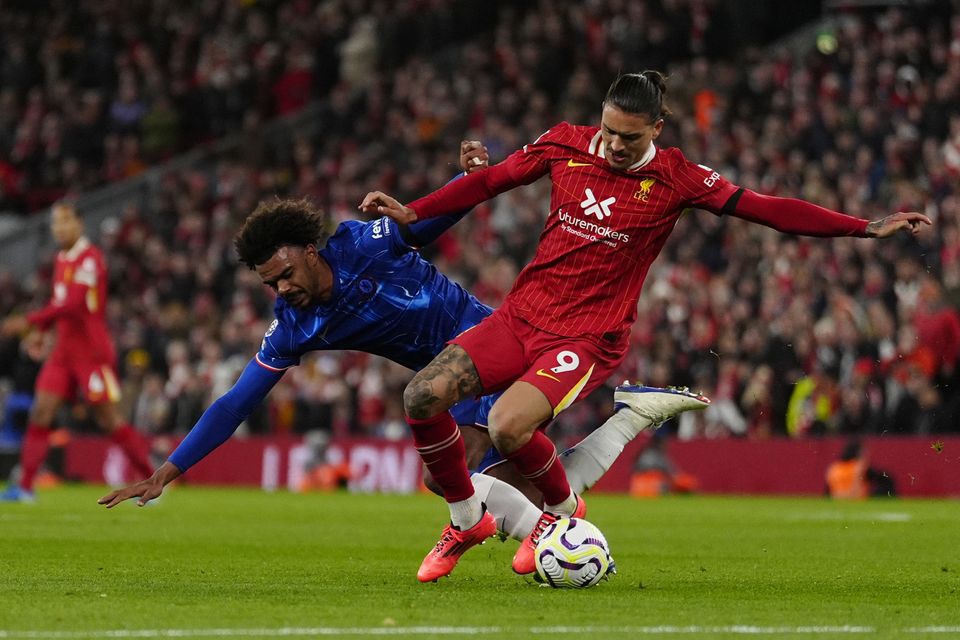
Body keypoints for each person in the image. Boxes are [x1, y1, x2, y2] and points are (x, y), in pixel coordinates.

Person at [359, 70, 932, 581]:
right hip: (520, 316)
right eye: (608, 130)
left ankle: (559, 516)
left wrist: (862, 227)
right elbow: (491, 181)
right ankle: (466, 521)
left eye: (629, 137)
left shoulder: (679, 177)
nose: (612, 144)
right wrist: (418, 211)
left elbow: (767, 207)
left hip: (584, 336)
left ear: (657, 127)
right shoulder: (565, 142)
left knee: (509, 429)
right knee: (421, 395)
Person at [98, 145, 710, 579]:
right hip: (446, 384)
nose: (280, 290)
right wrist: (169, 470)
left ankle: (555, 531)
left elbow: (431, 218)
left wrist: (477, 177)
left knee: (466, 475)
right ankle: (618, 437)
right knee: (484, 485)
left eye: (285, 274)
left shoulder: (362, 242)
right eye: (269, 284)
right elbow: (237, 400)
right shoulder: (296, 324)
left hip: (493, 346)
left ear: (311, 251)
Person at [0, 202, 155, 502]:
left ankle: (151, 478)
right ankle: (26, 487)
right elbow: (62, 308)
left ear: (80, 224)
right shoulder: (62, 259)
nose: (59, 228)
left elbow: (72, 304)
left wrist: (30, 321)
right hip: (63, 353)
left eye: (65, 222)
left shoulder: (90, 259)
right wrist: (42, 334)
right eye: (55, 223)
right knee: (41, 412)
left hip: (91, 354)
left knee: (109, 420)